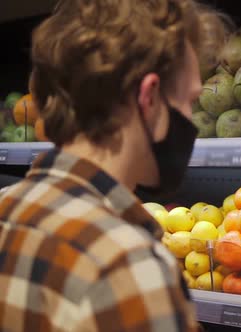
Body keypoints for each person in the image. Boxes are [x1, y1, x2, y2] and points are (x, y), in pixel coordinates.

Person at [0, 0, 229, 330]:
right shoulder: (127, 265)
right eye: (188, 101)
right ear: (149, 98)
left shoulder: (9, 207)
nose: (191, 119)